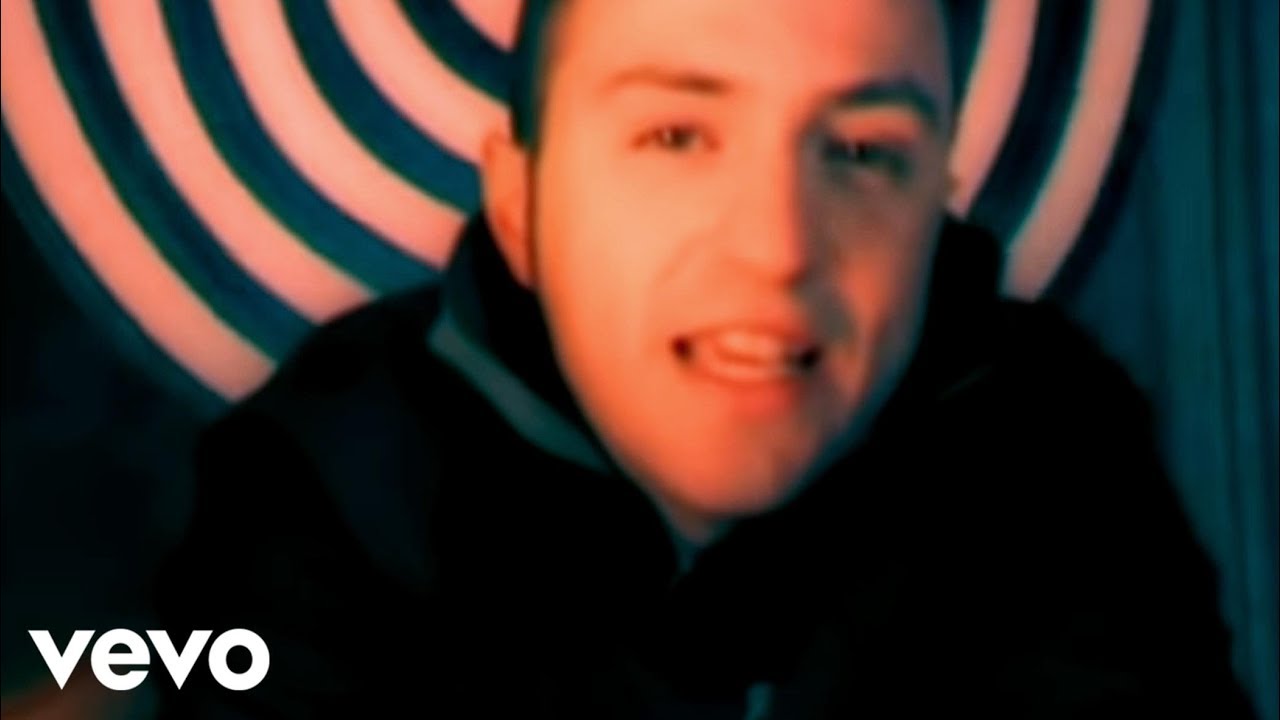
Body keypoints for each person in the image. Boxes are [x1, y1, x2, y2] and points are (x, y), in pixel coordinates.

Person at [152, 1, 1256, 717]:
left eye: (861, 151)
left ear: (936, 208)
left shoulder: (1051, 451)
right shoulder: (323, 487)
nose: (778, 248)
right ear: (520, 206)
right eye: (676, 137)